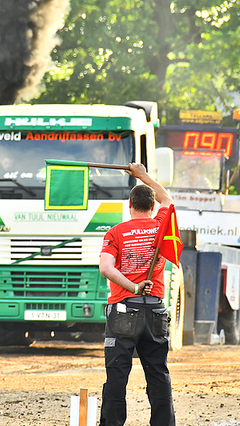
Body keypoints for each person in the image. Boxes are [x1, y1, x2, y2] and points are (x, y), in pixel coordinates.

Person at [98, 162, 175, 426]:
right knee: (157, 374)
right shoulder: (161, 226)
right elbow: (167, 197)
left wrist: (132, 287)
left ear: (129, 205)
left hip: (123, 310)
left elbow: (105, 268)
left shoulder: (116, 232)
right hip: (155, 311)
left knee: (117, 377)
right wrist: (142, 175)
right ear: (152, 207)